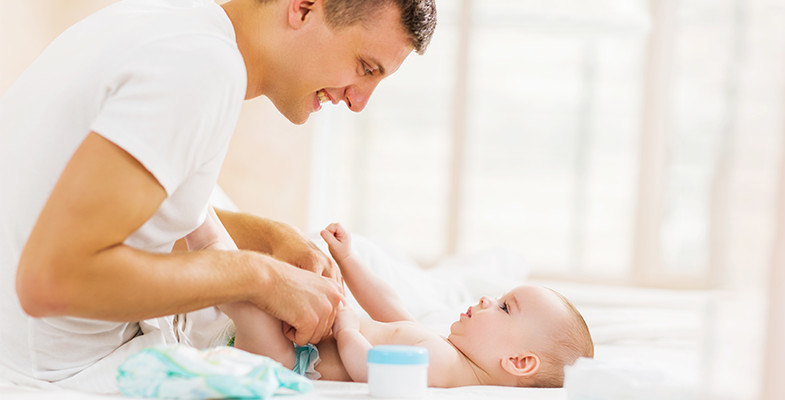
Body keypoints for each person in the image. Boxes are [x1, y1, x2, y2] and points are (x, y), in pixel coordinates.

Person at [0, 0, 436, 392]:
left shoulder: (163, 25)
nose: (360, 103)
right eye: (364, 67)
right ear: (303, 9)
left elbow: (128, 217)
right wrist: (261, 276)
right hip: (57, 371)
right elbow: (51, 281)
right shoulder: (203, 69)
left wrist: (271, 239)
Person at [216, 220, 595, 388]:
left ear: (518, 362)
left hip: (288, 360)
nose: (486, 299)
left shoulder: (445, 368)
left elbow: (369, 370)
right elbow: (389, 307)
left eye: (504, 308)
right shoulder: (445, 350)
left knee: (247, 292)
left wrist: (346, 327)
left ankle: (200, 233)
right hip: (299, 340)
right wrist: (349, 261)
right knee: (257, 280)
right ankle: (200, 231)